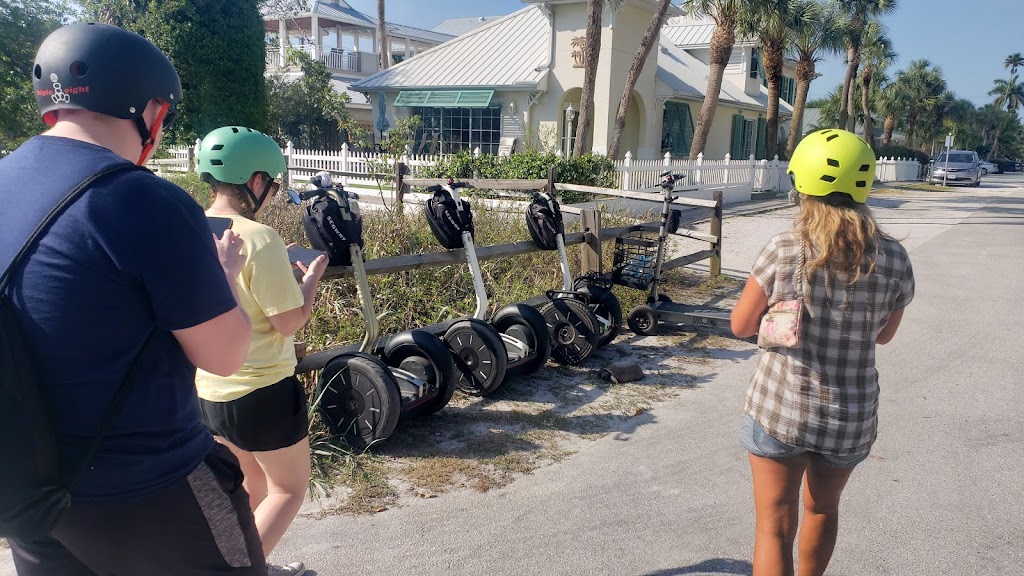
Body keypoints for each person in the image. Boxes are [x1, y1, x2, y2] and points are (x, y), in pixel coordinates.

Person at [2, 23, 268, 575]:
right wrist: (224, 277)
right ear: (149, 111)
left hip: (27, 488)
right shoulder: (144, 199)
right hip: (149, 487)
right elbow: (223, 356)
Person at [730, 128, 915, 576]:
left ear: (801, 185)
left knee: (773, 528)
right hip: (849, 416)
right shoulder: (893, 257)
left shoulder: (785, 248)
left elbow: (740, 326)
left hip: (781, 410)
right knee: (822, 512)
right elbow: (884, 336)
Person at [195, 127, 329, 576]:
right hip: (263, 390)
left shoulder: (192, 226)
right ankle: (246, 572)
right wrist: (309, 278)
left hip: (210, 390)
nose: (272, 193)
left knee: (249, 485)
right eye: (272, 183)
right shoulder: (260, 237)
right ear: (255, 182)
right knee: (288, 489)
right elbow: (288, 320)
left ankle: (245, 563)